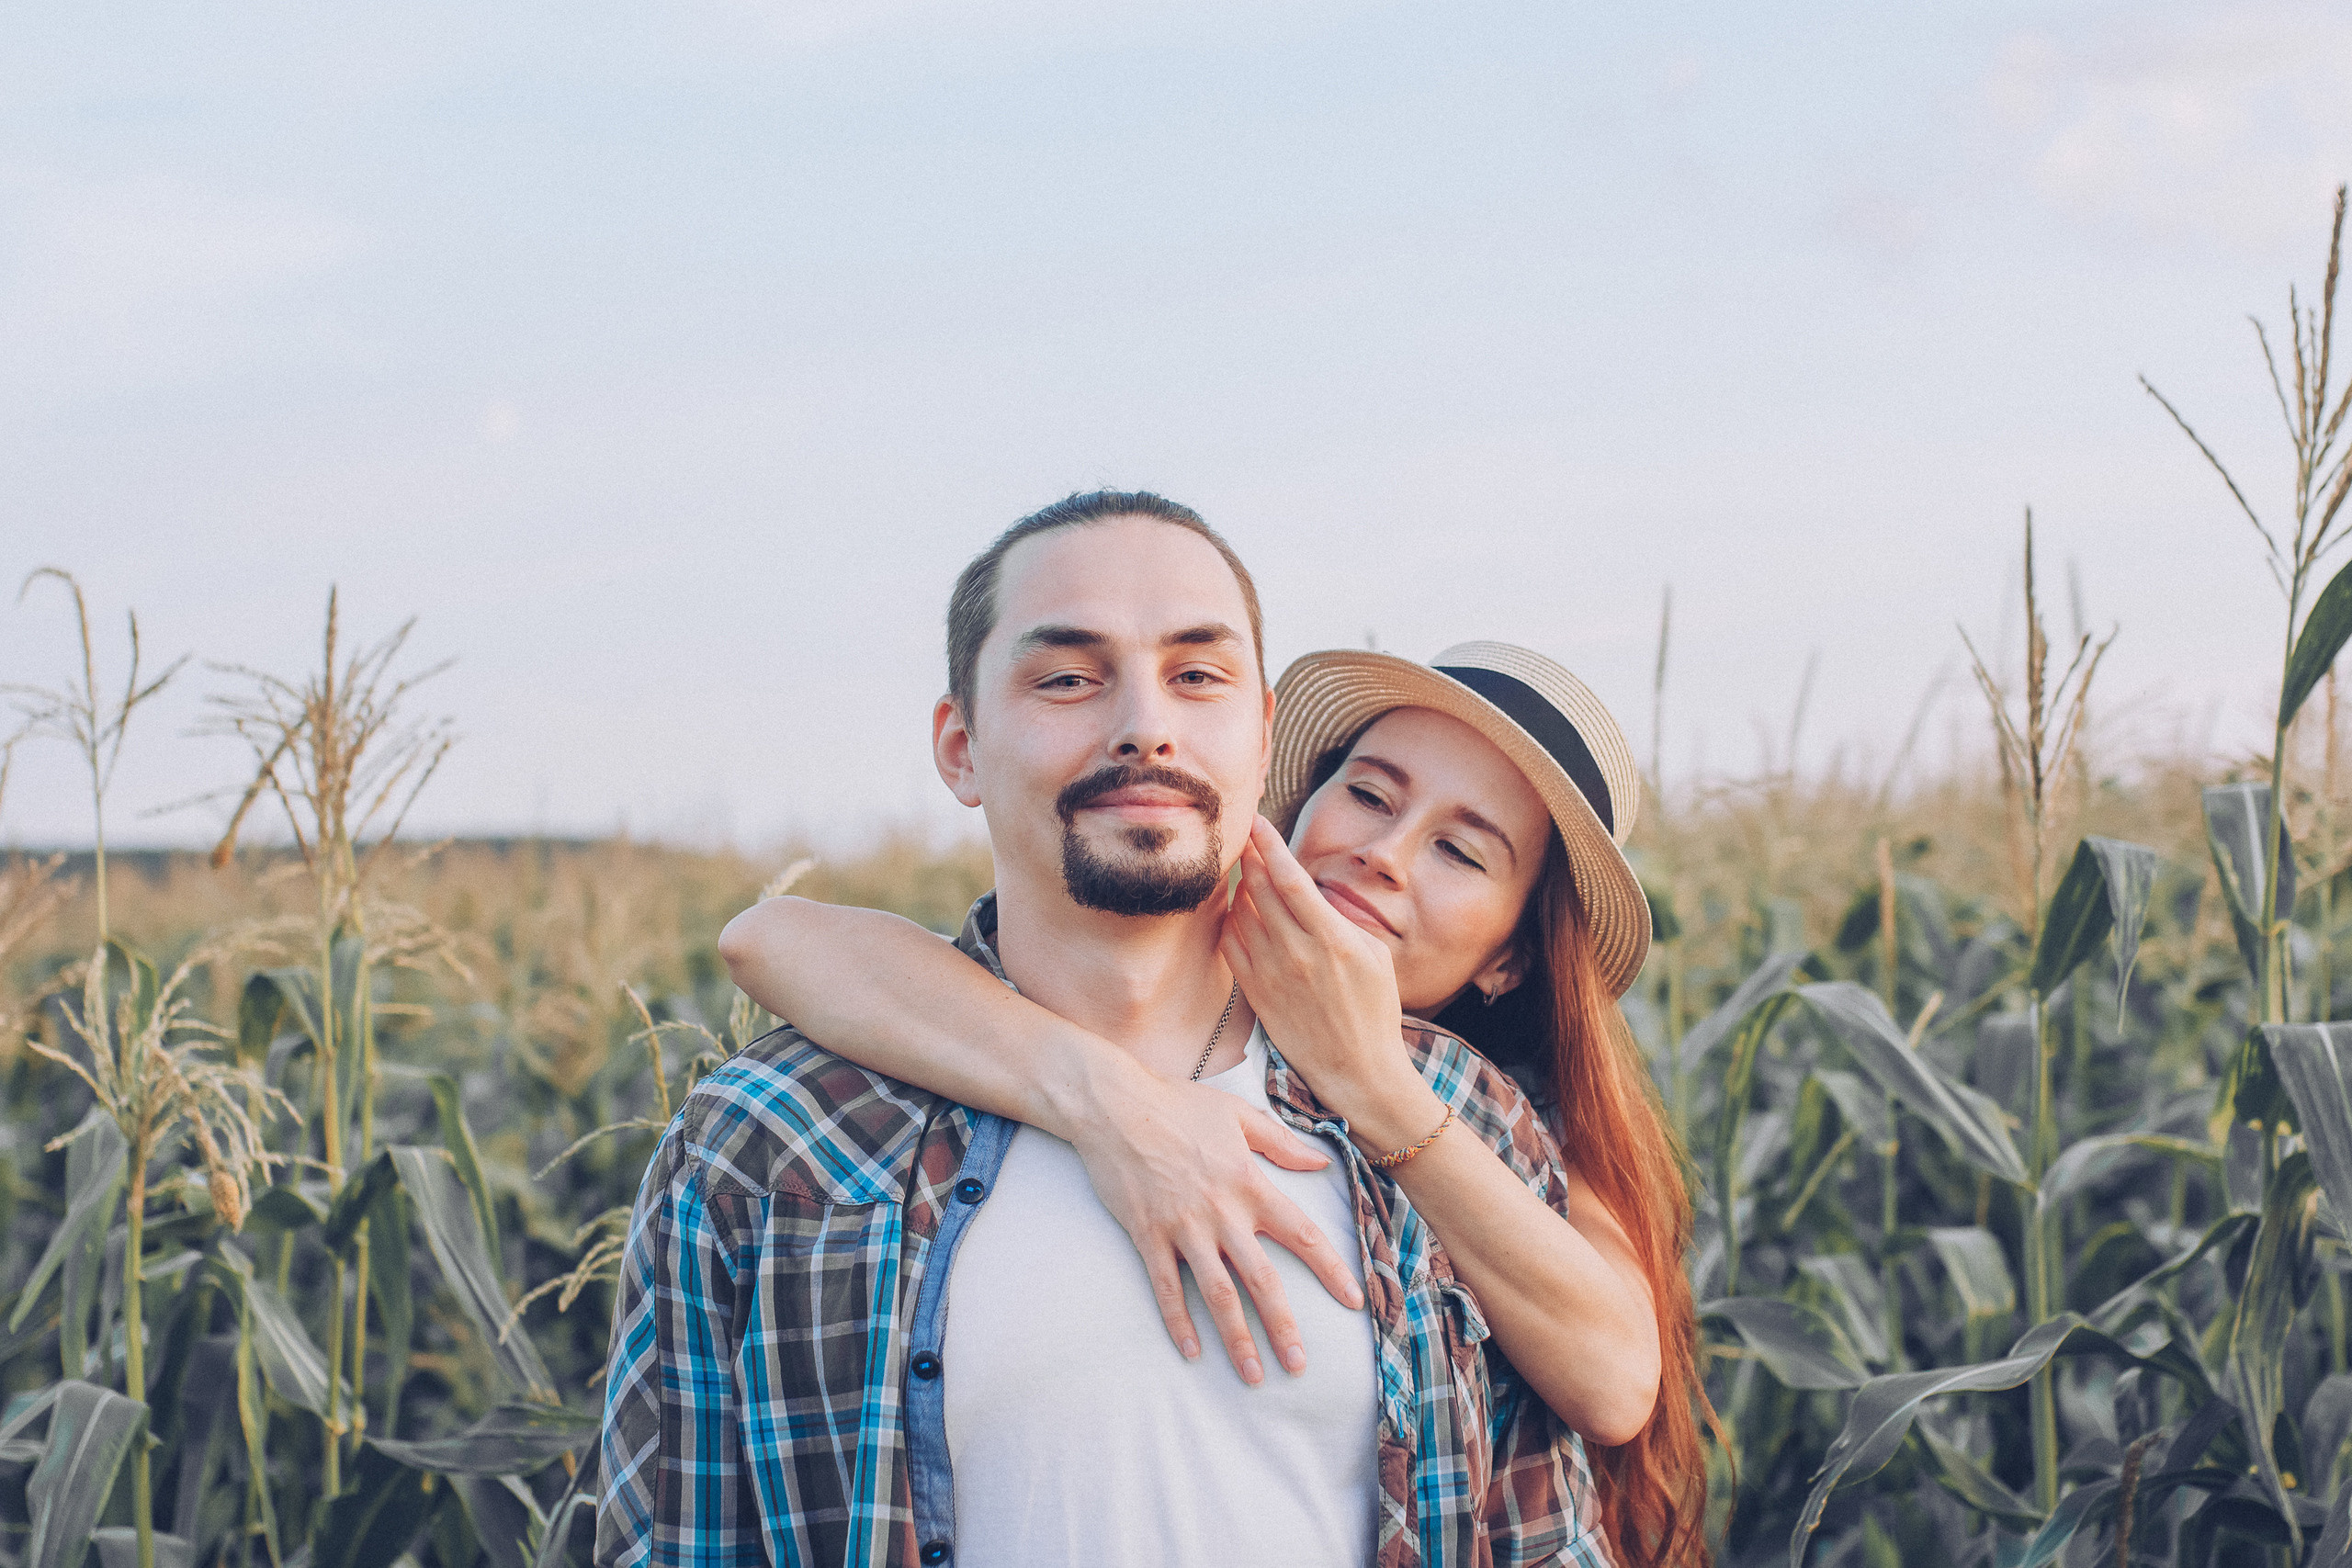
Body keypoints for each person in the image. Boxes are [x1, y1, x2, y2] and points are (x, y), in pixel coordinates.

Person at [598, 491, 1627, 1568]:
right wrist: (1111, 1101)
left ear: (1263, 737)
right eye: (1066, 679)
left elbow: (1549, 1519)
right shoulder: (779, 1139)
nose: (1144, 723)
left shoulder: (1458, 1114)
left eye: (1196, 674)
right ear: (960, 748)